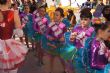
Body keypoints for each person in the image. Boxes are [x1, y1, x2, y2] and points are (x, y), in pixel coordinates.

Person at [0, 0, 28, 73]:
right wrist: (18, 29)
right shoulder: (14, 13)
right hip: (9, 46)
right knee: (13, 69)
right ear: (8, 1)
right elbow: (20, 34)